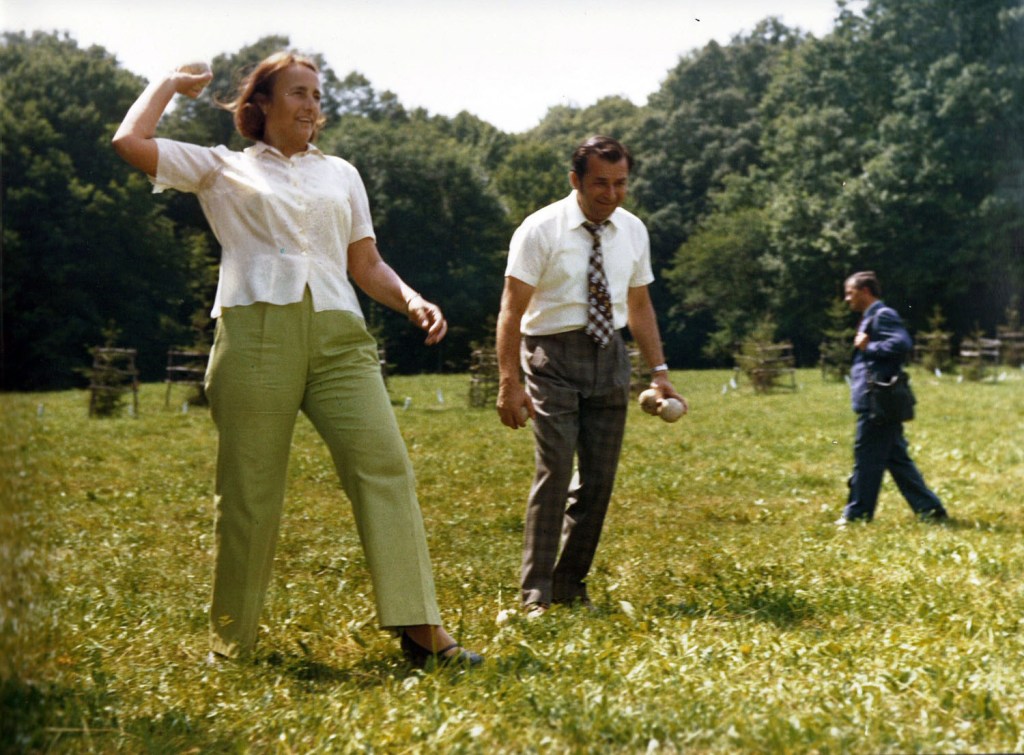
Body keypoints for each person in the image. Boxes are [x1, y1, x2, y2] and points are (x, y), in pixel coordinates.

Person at [112, 52, 481, 667]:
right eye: (298, 93)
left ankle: (421, 631)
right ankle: (232, 646)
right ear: (260, 106)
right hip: (255, 334)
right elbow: (131, 140)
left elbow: (364, 263)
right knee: (250, 493)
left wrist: (410, 298)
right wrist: (171, 85)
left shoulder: (341, 173)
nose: (312, 104)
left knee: (385, 467)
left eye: (317, 93)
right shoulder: (221, 168)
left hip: (340, 337)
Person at [495, 135, 687, 618]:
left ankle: (568, 584)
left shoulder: (633, 231)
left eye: (621, 183)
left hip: (610, 358)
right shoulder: (540, 230)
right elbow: (511, 308)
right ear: (575, 180)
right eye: (600, 183)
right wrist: (508, 381)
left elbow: (640, 305)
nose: (611, 193)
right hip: (551, 358)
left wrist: (659, 373)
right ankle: (535, 594)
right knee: (556, 472)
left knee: (598, 480)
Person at [837, 271, 948, 525]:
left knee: (866, 459)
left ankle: (857, 515)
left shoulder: (882, 315)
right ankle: (931, 509)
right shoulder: (870, 317)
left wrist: (869, 347)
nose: (846, 299)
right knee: (896, 460)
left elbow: (902, 344)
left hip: (878, 401)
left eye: (850, 293)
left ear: (866, 291)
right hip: (878, 401)